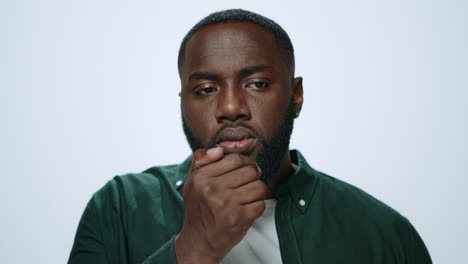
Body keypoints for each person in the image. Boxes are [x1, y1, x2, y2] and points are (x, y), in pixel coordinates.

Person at [68, 9, 432, 264]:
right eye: (207, 89)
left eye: (257, 84)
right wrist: (193, 249)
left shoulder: (383, 234)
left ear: (296, 95)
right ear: (183, 103)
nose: (230, 107)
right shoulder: (118, 208)